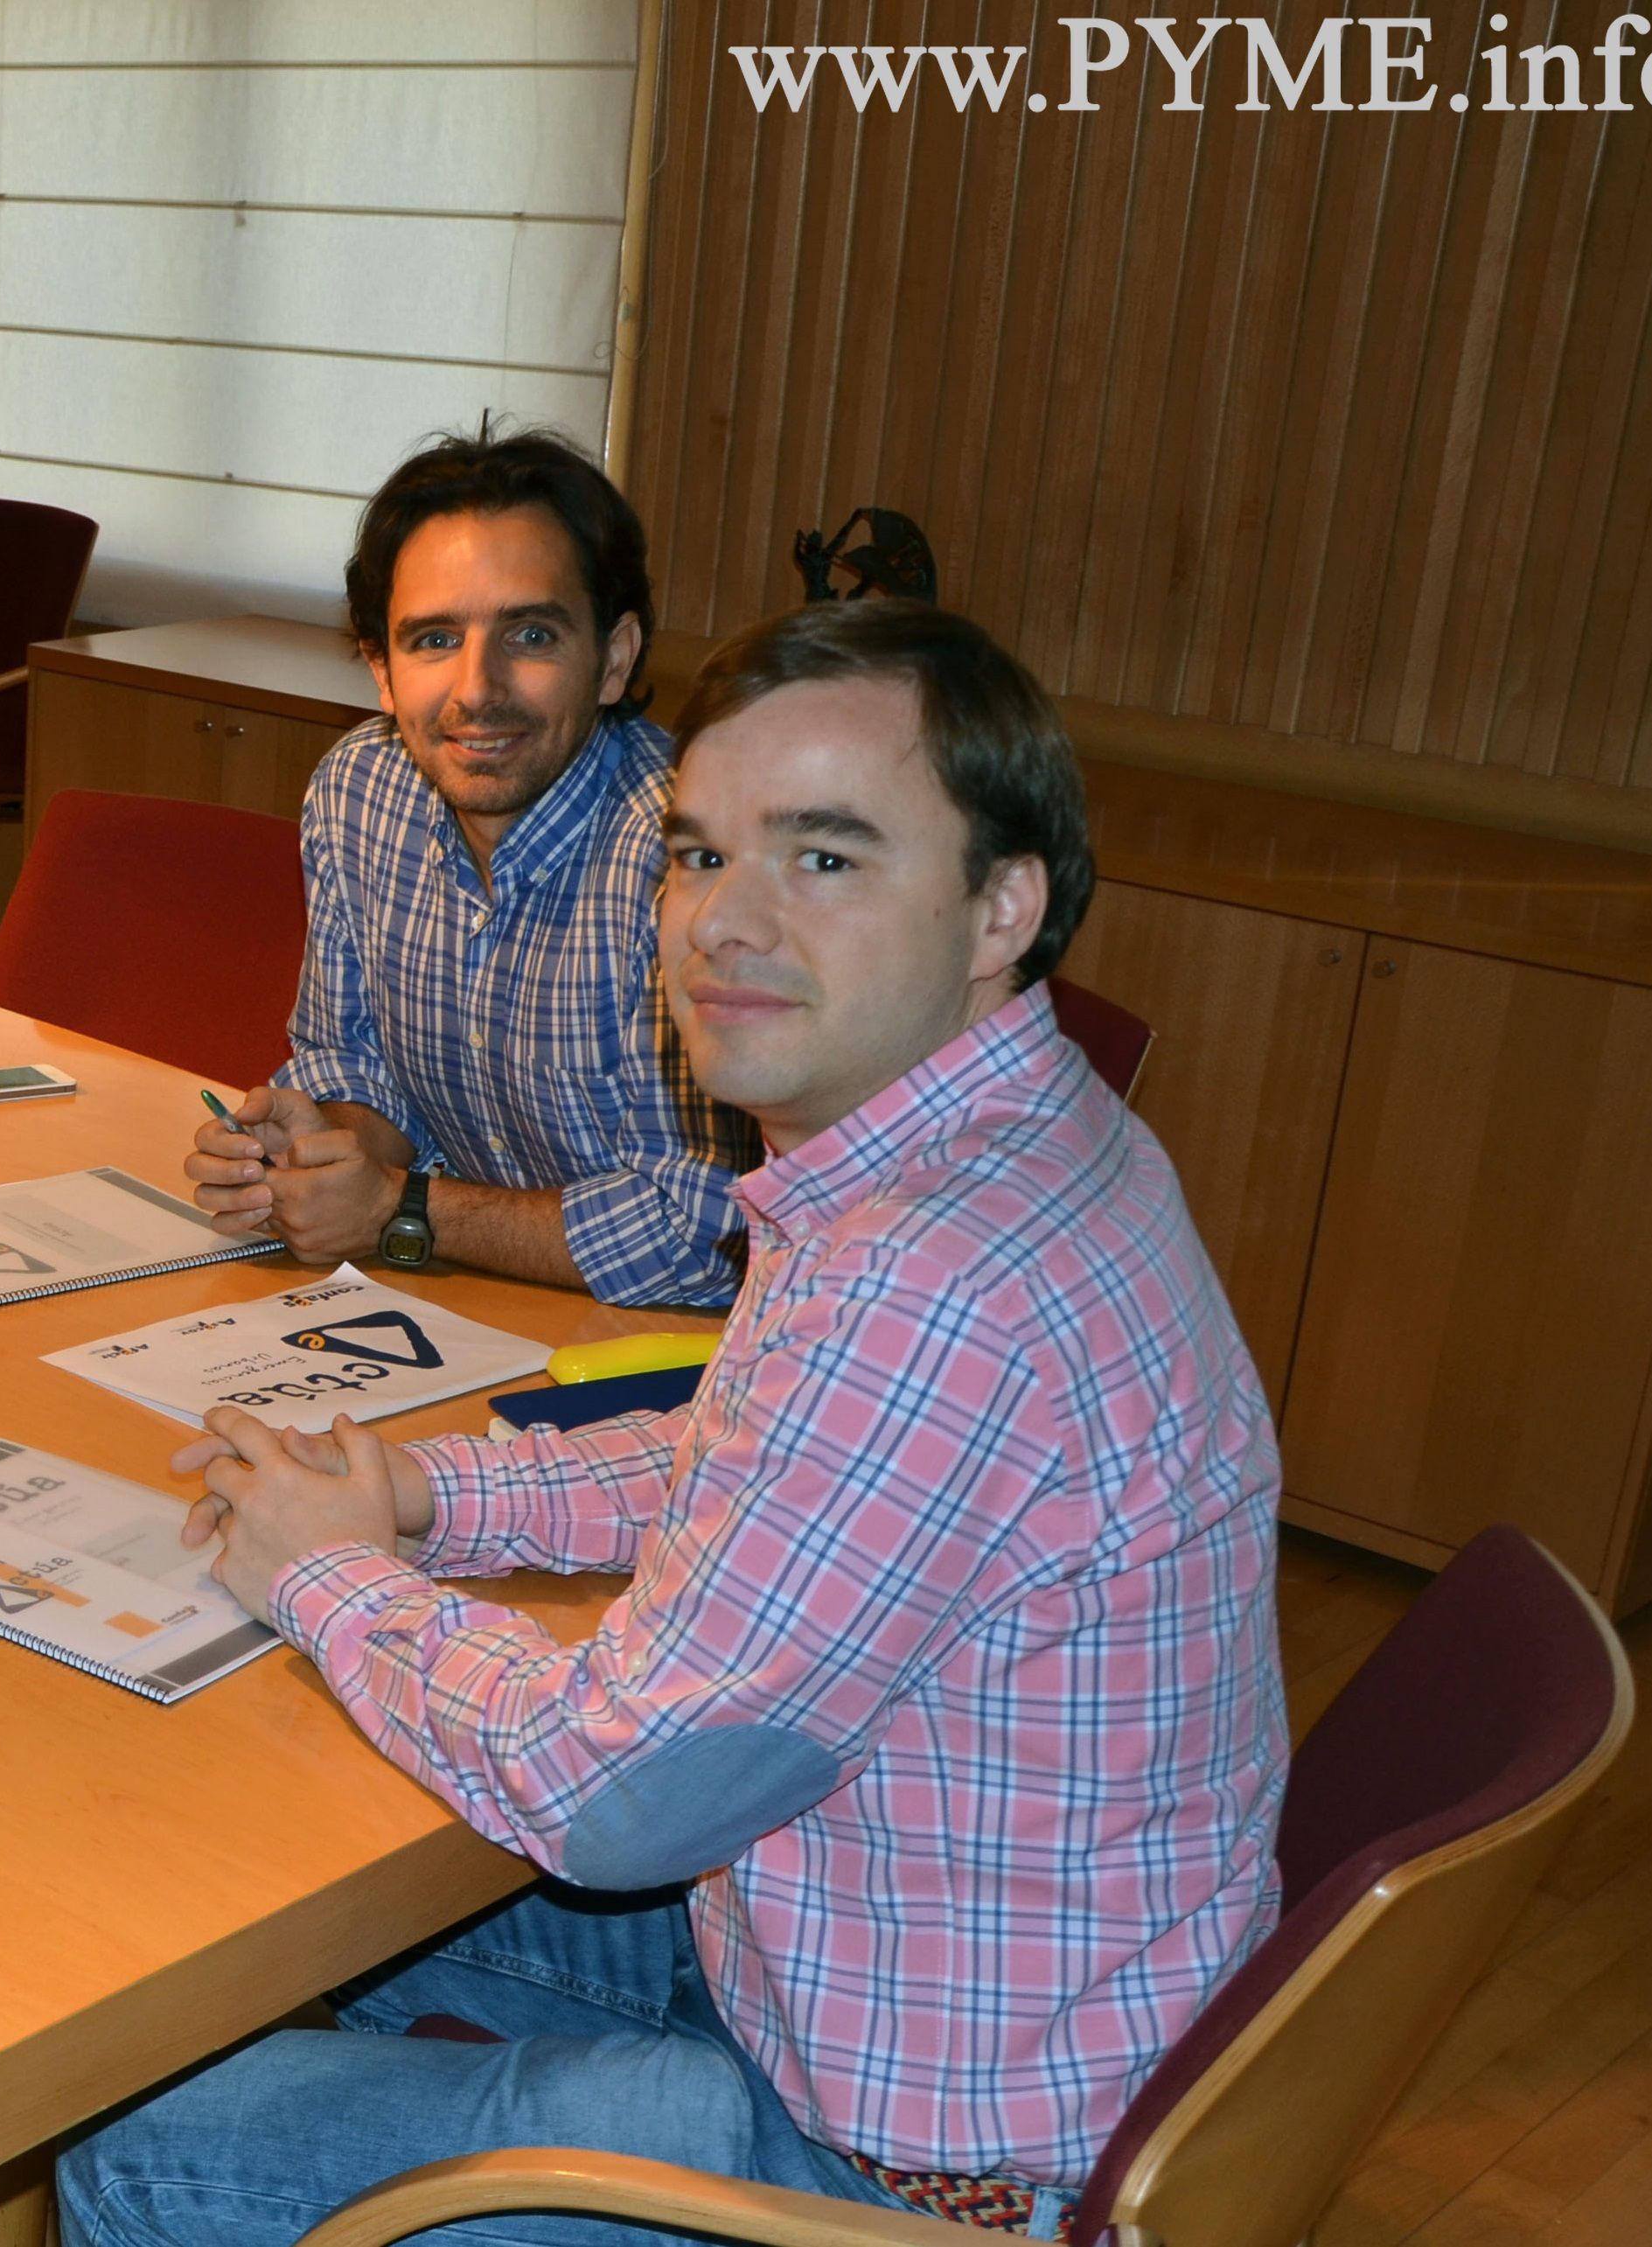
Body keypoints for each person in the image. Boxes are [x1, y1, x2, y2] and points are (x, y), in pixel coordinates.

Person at [66, 600, 1285, 2244]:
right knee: (247, 1910)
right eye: (700, 854)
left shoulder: (927, 1283)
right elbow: (752, 1447)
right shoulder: (997, 1140)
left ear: (1002, 905)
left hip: (907, 2175)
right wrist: (423, 1491)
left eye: (824, 857)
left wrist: (325, 1572)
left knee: (126, 2136)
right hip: (901, 1970)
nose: (724, 921)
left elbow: (609, 1791)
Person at [183, 429, 753, 1308]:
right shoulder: (358, 791)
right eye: (434, 639)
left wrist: (399, 1209)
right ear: (381, 668)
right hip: (460, 1308)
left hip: (663, 1350)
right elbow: (349, 1057)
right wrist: (320, 1154)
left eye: (530, 634)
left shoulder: (693, 858)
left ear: (612, 658)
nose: (477, 688)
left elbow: (709, 1237)